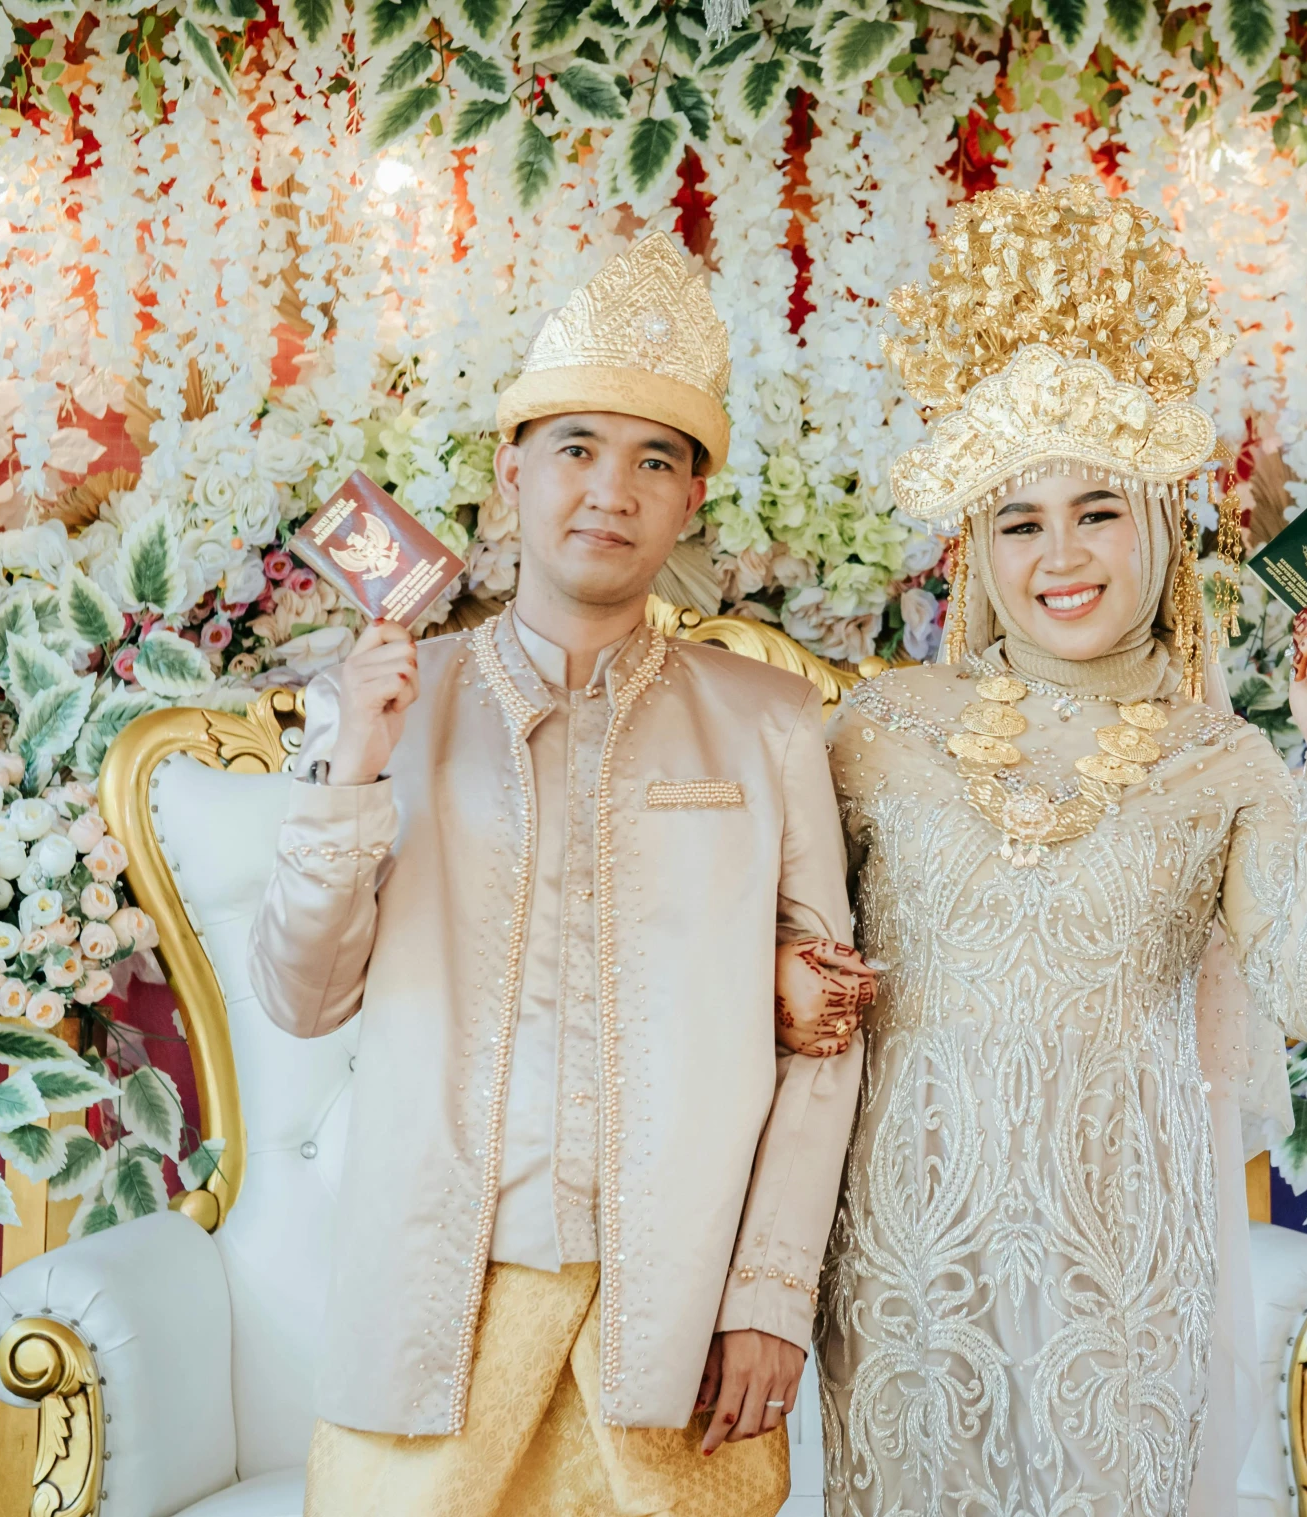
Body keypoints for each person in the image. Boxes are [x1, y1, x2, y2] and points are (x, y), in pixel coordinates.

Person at [249, 231, 872, 1517]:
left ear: (693, 497)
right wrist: (356, 767)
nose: (612, 490)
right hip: (438, 1304)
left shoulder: (767, 722)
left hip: (679, 1316)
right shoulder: (392, 707)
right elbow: (301, 998)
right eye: (577, 448)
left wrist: (769, 1293)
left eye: (656, 460)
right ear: (510, 470)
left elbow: (832, 1029)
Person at [817, 180, 1307, 1517]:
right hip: (902, 1257)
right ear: (973, 549)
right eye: (1018, 520)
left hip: (1119, 1263)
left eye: (1096, 510)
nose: (1058, 555)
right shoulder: (882, 726)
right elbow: (762, 935)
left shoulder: (1219, 758)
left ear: (1159, 528)